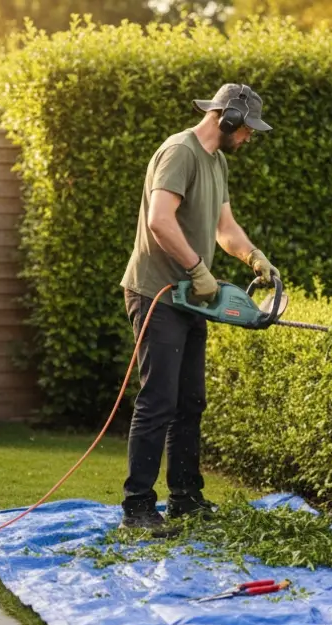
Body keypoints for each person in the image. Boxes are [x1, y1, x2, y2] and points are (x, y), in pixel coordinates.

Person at [117, 83, 277, 535]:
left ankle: (185, 499)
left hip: (191, 296)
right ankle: (137, 509)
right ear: (227, 118)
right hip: (157, 293)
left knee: (190, 401)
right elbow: (159, 220)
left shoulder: (216, 161)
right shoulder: (180, 152)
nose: (248, 137)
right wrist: (196, 268)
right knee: (158, 401)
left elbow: (225, 227)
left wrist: (253, 256)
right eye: (246, 128)